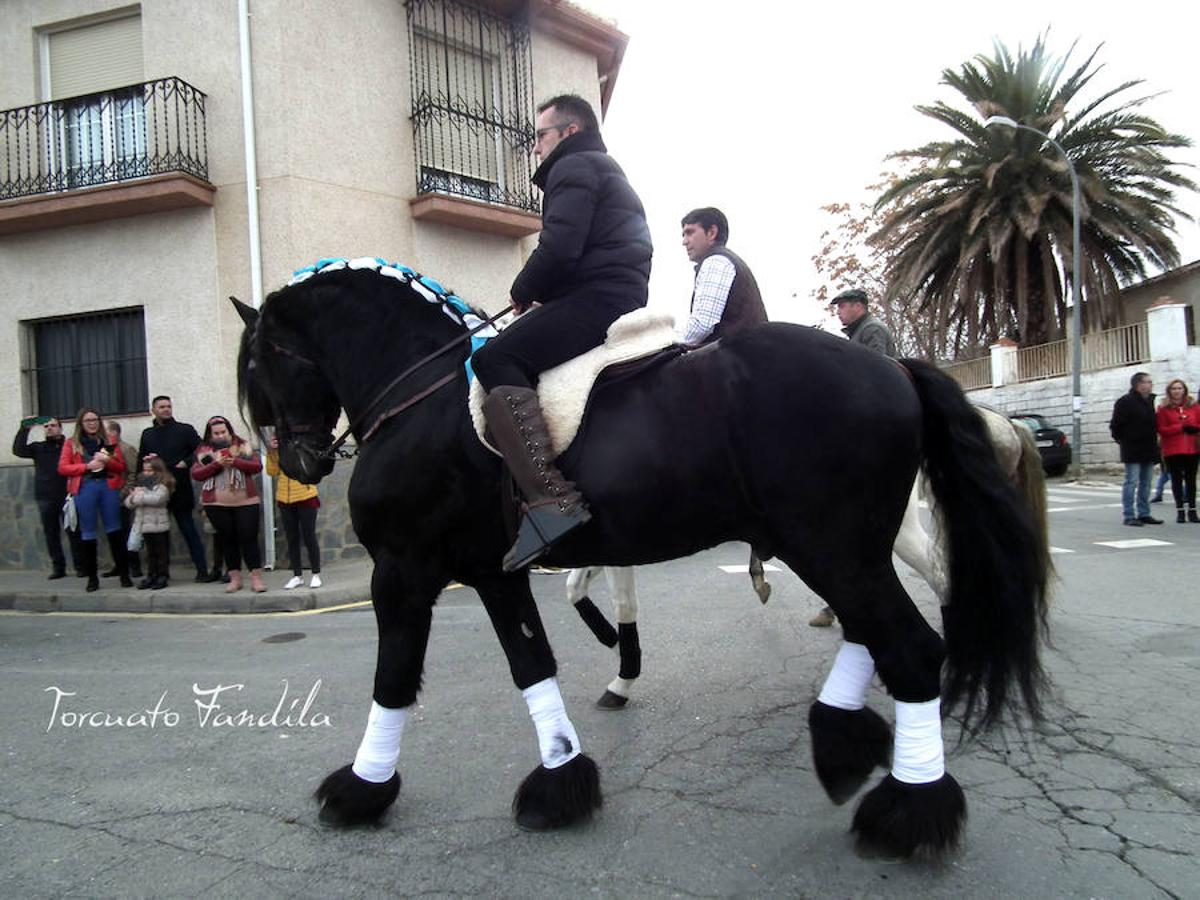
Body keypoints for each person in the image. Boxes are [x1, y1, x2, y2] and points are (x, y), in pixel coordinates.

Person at [472, 93, 652, 572]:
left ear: (568, 133)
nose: (534, 148)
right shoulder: (599, 166)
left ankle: (550, 502)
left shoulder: (572, 168)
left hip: (598, 296)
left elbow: (561, 245)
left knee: (493, 358)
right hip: (614, 290)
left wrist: (523, 288)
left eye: (540, 136)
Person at [810, 288, 899, 628]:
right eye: (838, 307)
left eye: (844, 306)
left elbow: (874, 373)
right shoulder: (856, 333)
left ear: (860, 307)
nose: (839, 312)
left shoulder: (871, 331)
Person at [138, 396, 213, 582]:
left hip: (180, 489)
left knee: (188, 530)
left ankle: (202, 570)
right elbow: (141, 461)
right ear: (153, 410)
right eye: (162, 406)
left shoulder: (184, 430)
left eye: (169, 406)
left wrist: (186, 462)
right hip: (154, 492)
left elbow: (203, 451)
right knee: (157, 535)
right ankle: (160, 573)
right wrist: (140, 487)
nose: (166, 409)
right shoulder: (147, 434)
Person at [192, 416, 266, 593]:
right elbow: (197, 474)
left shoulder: (243, 446)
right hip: (216, 503)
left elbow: (256, 466)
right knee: (228, 540)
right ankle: (235, 579)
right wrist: (217, 464)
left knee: (249, 539)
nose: (220, 436)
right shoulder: (203, 451)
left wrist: (236, 461)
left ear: (229, 431)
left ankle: (256, 579)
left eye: (223, 432)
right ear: (210, 435)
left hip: (246, 501)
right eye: (216, 433)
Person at [57, 408, 128, 591]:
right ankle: (92, 578)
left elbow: (120, 466)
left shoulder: (108, 441)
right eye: (88, 420)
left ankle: (124, 575)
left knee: (115, 530)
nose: (92, 423)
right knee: (87, 532)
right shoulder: (72, 443)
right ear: (81, 423)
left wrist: (106, 460)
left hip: (107, 486)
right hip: (85, 487)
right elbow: (63, 468)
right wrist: (86, 466)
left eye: (95, 419)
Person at [678, 207, 768, 345]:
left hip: (737, 357)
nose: (684, 241)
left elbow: (702, 324)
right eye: (683, 235)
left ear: (711, 232)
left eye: (690, 233)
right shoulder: (729, 260)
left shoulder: (716, 262)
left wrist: (669, 348)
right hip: (750, 354)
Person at [12, 415, 81, 579]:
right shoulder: (38, 448)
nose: (50, 428)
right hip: (45, 496)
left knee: (74, 531)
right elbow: (18, 450)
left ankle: (81, 567)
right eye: (47, 426)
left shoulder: (69, 446)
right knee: (51, 533)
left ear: (60, 428)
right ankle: (59, 568)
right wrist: (25, 428)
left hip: (67, 495)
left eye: (54, 425)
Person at [267, 434, 323, 589]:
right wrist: (272, 451)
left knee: (309, 536)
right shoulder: (279, 449)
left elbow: (312, 466)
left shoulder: (304, 444)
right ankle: (297, 575)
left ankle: (316, 573)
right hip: (285, 498)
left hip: (306, 495)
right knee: (292, 538)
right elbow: (272, 472)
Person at [1109, 372, 1164, 527]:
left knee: (1146, 482)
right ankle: (1129, 514)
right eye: (1148, 382)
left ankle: (1144, 513)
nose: (1150, 384)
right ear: (1138, 384)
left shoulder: (1149, 401)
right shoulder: (1125, 402)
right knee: (1131, 482)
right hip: (1132, 449)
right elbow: (1115, 426)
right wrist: (1124, 442)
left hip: (1149, 448)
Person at [1154, 378, 1200, 524]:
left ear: (1184, 390)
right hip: (1172, 449)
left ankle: (1192, 510)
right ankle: (1180, 511)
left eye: (1179, 388)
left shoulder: (1194, 407)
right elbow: (1161, 429)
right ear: (1169, 391)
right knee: (1176, 480)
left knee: (1191, 480)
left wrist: (1194, 429)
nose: (1177, 391)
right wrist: (1179, 428)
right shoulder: (1163, 409)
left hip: (1192, 447)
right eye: (1174, 389)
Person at [125, 454, 174, 589]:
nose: (146, 473)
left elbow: (157, 499)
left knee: (161, 553)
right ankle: (151, 575)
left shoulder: (162, 486)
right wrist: (135, 495)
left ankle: (162, 575)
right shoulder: (141, 485)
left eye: (150, 470)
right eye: (144, 470)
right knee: (150, 553)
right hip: (145, 526)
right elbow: (128, 503)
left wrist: (138, 494)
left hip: (159, 525)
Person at [105, 421, 143, 579]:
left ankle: (134, 566)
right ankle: (119, 565)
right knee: (113, 534)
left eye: (105, 431)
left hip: (122, 498)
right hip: (107, 497)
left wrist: (124, 493)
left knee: (127, 533)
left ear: (114, 432)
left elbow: (133, 473)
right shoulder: (103, 450)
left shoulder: (126, 449)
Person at [833, 288, 897, 357]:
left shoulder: (872, 329)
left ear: (858, 306)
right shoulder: (860, 330)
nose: (838, 312)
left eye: (842, 306)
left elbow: (875, 364)